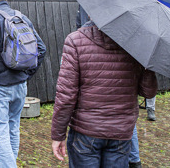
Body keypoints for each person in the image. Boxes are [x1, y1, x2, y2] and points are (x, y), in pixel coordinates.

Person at [51, 19, 158, 167]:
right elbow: (148, 92)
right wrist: (148, 66)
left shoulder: (75, 40)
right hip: (121, 131)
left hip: (86, 130)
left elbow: (66, 95)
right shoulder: (137, 44)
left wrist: (58, 134)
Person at [0, 0, 46, 168]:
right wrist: (27, 74)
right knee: (13, 128)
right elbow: (41, 49)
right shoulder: (21, 16)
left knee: (1, 133)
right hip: (20, 84)